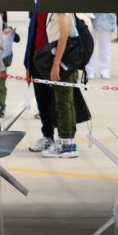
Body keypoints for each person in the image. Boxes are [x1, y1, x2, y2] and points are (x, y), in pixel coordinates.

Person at [41, 12, 82, 158]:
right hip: (64, 59)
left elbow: (63, 35)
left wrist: (56, 64)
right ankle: (67, 141)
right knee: (66, 101)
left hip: (64, 60)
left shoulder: (61, 9)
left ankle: (66, 144)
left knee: (63, 102)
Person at [24, 9, 58, 152]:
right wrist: (28, 65)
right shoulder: (36, 8)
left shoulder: (57, 8)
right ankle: (47, 137)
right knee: (42, 103)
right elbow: (32, 35)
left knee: (56, 103)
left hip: (52, 62)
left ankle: (64, 138)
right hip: (37, 62)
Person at [0, 22, 20, 118]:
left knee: (1, 86)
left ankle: (1, 106)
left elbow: (17, 39)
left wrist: (10, 31)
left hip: (1, 62)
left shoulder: (4, 26)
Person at [88, 12, 115, 79]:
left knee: (105, 46)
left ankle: (105, 70)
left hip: (105, 18)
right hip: (89, 18)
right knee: (90, 46)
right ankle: (90, 70)